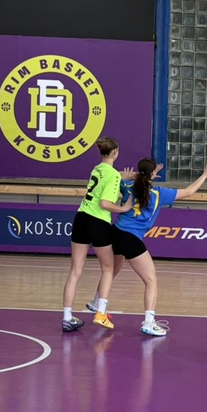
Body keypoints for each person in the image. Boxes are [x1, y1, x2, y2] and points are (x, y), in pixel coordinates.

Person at [113, 158, 207, 336]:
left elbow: (113, 176)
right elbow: (189, 191)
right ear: (153, 174)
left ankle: (97, 303)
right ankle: (149, 322)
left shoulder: (127, 185)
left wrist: (130, 175)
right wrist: (205, 175)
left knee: (111, 271)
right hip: (131, 238)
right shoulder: (159, 193)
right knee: (151, 280)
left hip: (115, 233)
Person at [61, 137, 132, 333]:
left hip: (81, 217)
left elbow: (111, 175)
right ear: (116, 152)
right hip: (98, 221)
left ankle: (67, 317)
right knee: (108, 268)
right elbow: (104, 204)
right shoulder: (114, 175)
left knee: (75, 271)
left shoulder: (96, 169)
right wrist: (123, 208)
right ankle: (100, 312)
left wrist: (127, 176)